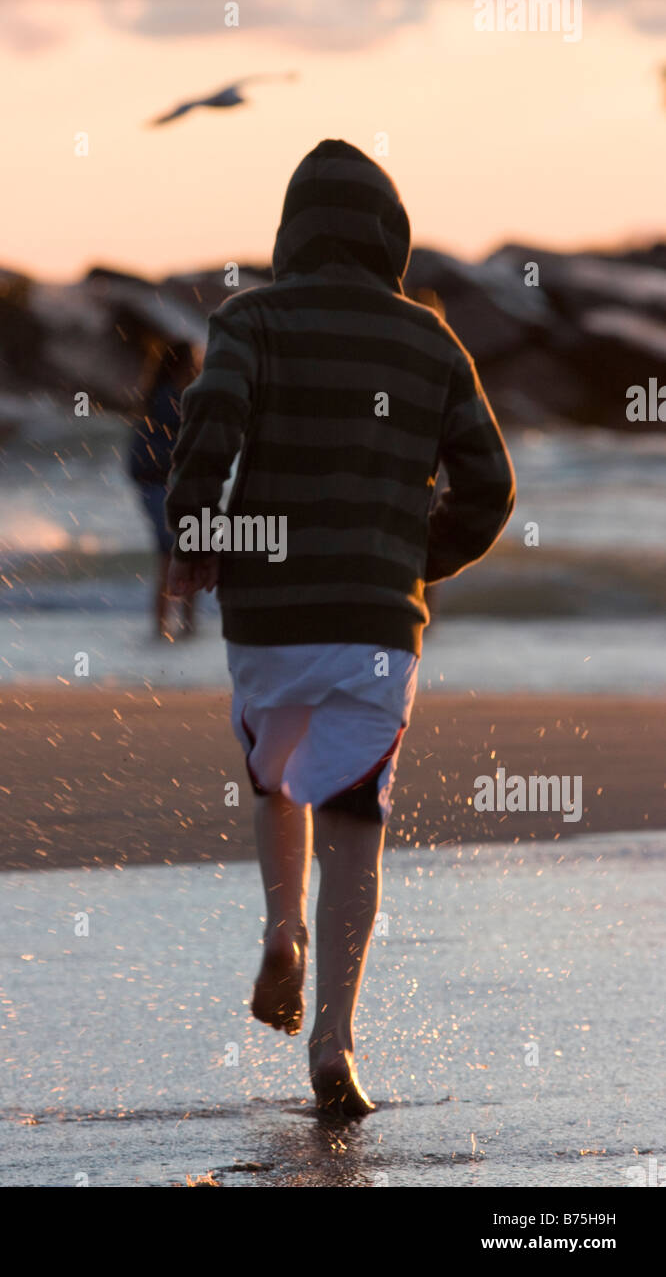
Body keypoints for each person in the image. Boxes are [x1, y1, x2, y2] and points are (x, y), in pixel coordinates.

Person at [164, 139, 515, 1119]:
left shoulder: (248, 321)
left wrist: (197, 528)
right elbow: (489, 487)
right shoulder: (431, 341)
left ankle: (283, 929)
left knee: (278, 778)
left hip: (269, 614)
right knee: (355, 819)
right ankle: (332, 1041)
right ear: (388, 234)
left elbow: (212, 423)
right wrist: (407, 557)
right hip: (374, 625)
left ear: (289, 231)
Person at [127, 338, 198, 638]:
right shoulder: (173, 399)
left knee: (174, 555)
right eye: (193, 360)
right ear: (181, 363)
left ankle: (167, 626)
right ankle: (182, 626)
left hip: (153, 485)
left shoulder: (155, 396)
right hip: (164, 486)